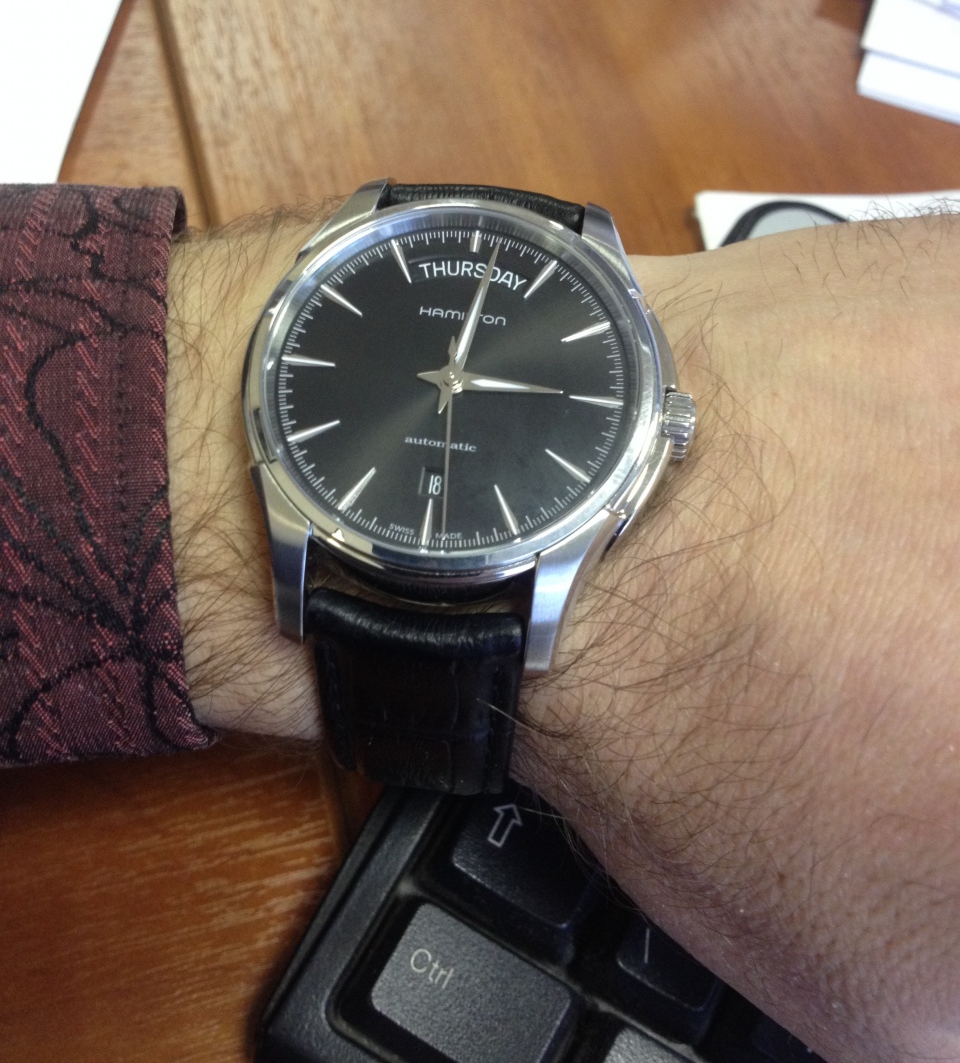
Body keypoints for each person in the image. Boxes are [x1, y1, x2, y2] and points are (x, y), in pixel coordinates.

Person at [1, 184, 957, 1063]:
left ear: (666, 426)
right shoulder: (301, 460)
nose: (452, 383)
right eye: (448, 375)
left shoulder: (608, 470)